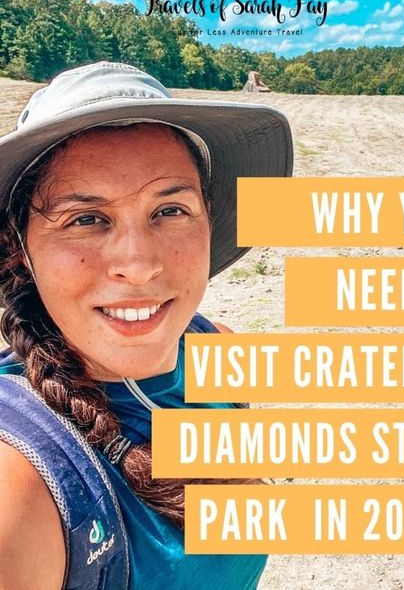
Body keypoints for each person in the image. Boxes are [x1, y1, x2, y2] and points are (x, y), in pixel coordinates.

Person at [0, 61, 293, 589]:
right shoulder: (20, 479)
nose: (138, 265)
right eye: (85, 219)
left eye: (170, 210)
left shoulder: (219, 348)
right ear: (22, 250)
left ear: (208, 215)